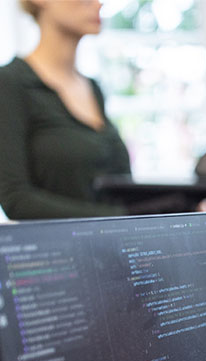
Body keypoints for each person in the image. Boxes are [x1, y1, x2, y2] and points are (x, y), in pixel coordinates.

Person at [0, 0, 130, 219]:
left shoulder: (93, 88)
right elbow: (17, 199)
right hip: (56, 250)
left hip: (113, 246)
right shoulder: (10, 84)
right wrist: (123, 216)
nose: (98, 4)